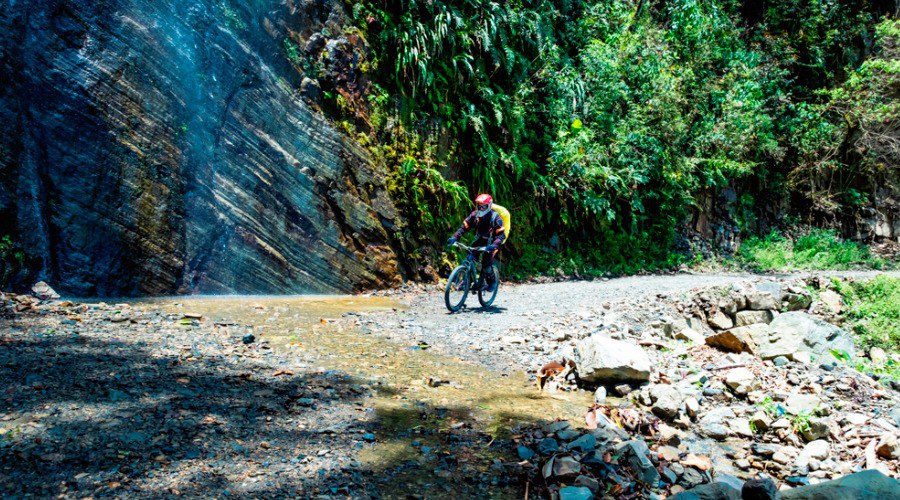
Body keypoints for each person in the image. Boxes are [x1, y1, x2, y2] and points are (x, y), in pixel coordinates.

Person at [446, 194, 505, 292]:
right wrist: (454, 237)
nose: (481, 208)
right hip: (479, 240)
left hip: (491, 243)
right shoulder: (474, 215)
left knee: (486, 264)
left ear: (489, 205)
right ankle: (466, 282)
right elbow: (463, 227)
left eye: (484, 206)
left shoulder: (496, 218)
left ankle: (492, 282)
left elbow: (501, 236)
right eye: (479, 205)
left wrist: (494, 245)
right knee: (469, 259)